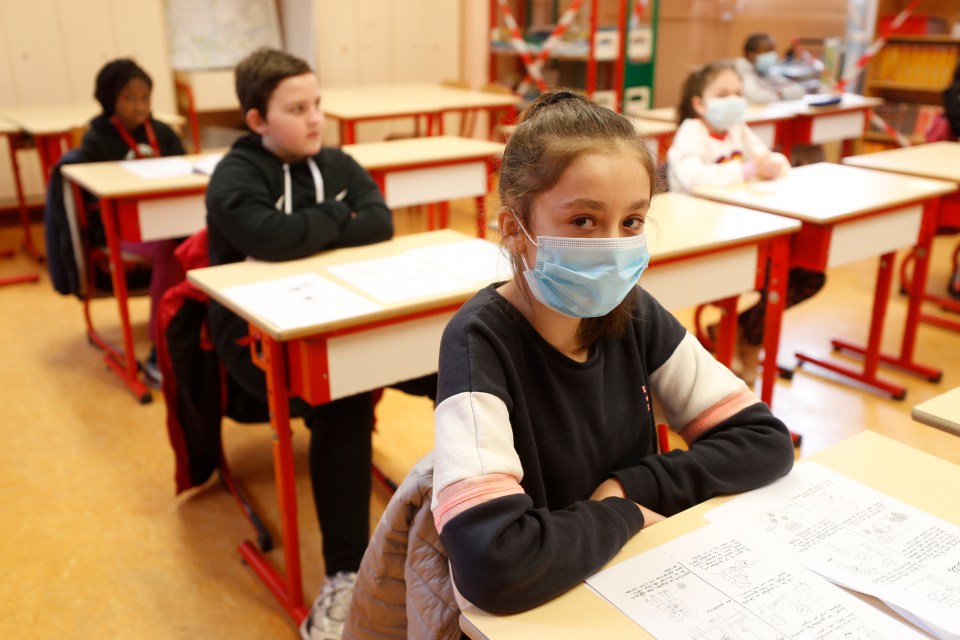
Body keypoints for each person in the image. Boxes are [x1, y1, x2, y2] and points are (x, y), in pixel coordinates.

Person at [430, 90, 796, 616]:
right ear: (515, 230)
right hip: (547, 610)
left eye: (631, 222)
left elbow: (764, 442)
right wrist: (620, 513)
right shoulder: (478, 342)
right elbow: (492, 563)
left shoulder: (633, 313)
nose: (612, 245)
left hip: (638, 583)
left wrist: (633, 483)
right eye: (583, 221)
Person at [204, 47, 436, 640]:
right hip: (258, 342)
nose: (315, 119)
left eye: (318, 105)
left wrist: (306, 226)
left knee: (457, 365)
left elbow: (379, 220)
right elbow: (265, 235)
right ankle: (344, 577)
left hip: (352, 318)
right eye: (297, 108)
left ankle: (478, 513)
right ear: (256, 120)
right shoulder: (234, 174)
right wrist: (336, 217)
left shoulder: (334, 161)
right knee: (342, 399)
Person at [668, 61, 824, 383]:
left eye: (738, 93)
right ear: (699, 103)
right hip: (701, 237)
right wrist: (749, 171)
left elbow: (775, 161)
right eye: (723, 94)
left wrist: (771, 162)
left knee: (809, 274)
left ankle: (743, 334)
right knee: (775, 277)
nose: (734, 100)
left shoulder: (739, 128)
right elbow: (694, 178)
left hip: (743, 228)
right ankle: (744, 343)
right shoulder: (692, 132)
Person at [77, 58, 187, 386]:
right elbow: (92, 199)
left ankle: (196, 333)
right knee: (169, 250)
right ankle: (160, 349)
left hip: (169, 219)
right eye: (129, 98)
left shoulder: (163, 132)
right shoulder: (97, 141)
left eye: (145, 98)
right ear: (110, 100)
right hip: (121, 228)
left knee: (201, 242)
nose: (140, 106)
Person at [734, 32, 807, 103]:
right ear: (750, 55)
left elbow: (800, 90)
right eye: (766, 51)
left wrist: (780, 93)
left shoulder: (767, 71)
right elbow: (756, 97)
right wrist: (780, 93)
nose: (772, 55)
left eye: (772, 51)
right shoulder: (742, 69)